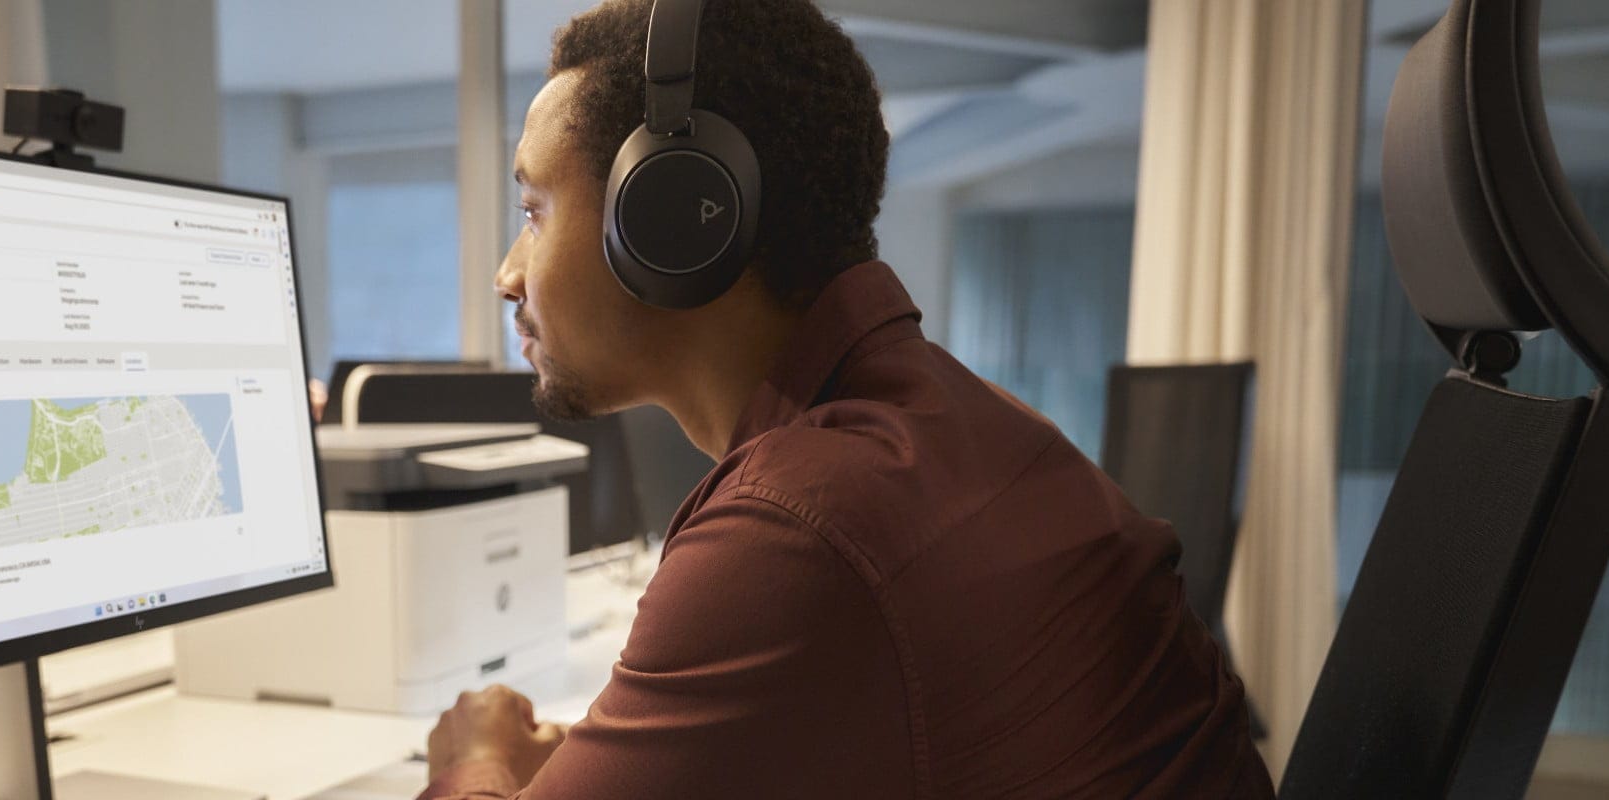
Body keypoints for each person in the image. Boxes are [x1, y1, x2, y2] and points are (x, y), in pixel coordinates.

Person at [418, 1, 1271, 797]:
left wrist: (477, 760)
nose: (508, 275)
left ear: (670, 220)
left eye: (533, 210)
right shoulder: (976, 428)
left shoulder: (794, 528)